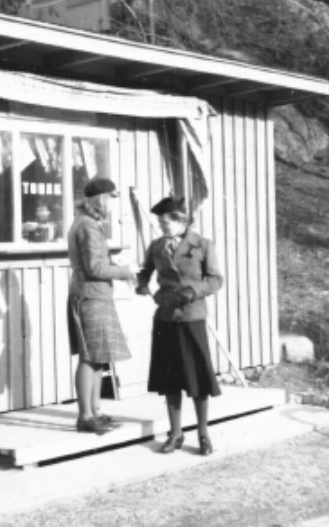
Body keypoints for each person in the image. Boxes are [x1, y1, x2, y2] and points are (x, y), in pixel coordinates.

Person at [136, 195, 223, 455]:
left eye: (165, 223)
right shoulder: (156, 246)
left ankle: (204, 434)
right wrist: (142, 283)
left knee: (197, 380)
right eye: (160, 224)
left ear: (180, 221)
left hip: (191, 317)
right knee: (169, 379)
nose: (162, 228)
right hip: (165, 318)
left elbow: (216, 279)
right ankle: (175, 434)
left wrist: (193, 290)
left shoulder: (202, 245)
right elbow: (146, 270)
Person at [67, 178, 136, 434]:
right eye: (109, 199)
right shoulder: (88, 226)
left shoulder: (87, 223)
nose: (111, 205)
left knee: (98, 357)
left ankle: (95, 411)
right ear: (98, 199)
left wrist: (114, 262)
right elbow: (95, 268)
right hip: (90, 295)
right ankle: (85, 416)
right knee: (89, 356)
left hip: (93, 294)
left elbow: (95, 260)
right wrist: (126, 271)